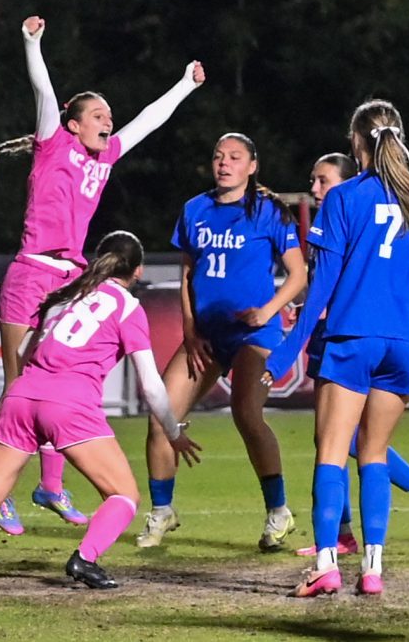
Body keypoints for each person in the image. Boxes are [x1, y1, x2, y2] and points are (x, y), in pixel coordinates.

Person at [0, 15, 204, 535]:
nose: (109, 121)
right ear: (74, 123)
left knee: (56, 380)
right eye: (99, 115)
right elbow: (43, 89)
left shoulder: (103, 159)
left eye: (110, 116)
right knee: (21, 385)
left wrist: (184, 86)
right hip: (31, 272)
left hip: (69, 279)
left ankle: (51, 486)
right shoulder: (53, 143)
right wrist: (31, 41)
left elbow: (150, 120)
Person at [0, 231, 200, 588]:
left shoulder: (63, 297)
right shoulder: (127, 306)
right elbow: (151, 384)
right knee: (124, 495)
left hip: (22, 397)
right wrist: (173, 431)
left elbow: (25, 351)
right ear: (138, 272)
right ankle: (85, 560)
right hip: (69, 405)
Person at [262, 99, 409, 597]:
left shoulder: (344, 198)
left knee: (330, 453)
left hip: (352, 338)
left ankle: (326, 565)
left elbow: (321, 288)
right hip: (403, 345)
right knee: (374, 456)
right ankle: (372, 571)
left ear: (356, 142)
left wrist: (285, 353)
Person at [137, 133, 306, 552]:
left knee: (246, 412)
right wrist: (190, 329)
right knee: (161, 414)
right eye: (218, 156)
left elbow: (299, 275)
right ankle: (162, 511)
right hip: (207, 336)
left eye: (234, 157)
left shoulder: (269, 212)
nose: (224, 163)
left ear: (252, 166)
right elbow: (188, 276)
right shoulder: (195, 209)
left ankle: (278, 512)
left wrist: (267, 312)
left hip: (255, 334)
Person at [294, 152, 409, 558]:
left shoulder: (353, 204)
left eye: (323, 180)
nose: (316, 189)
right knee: (337, 438)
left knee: (352, 441)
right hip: (351, 332)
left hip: (351, 333)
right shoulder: (342, 212)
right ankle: (350, 538)